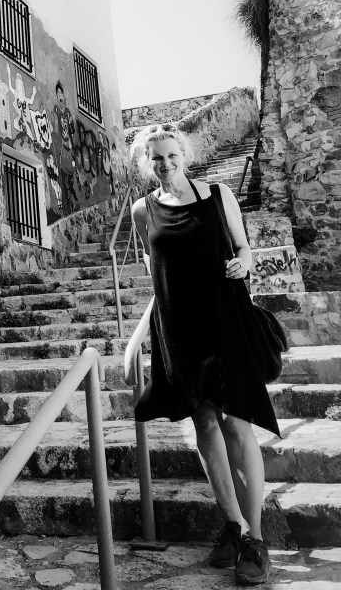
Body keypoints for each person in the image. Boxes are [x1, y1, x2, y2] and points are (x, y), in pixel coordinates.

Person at [129, 123, 278, 586]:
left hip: (225, 320)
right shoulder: (142, 210)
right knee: (205, 423)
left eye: (172, 155)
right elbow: (154, 267)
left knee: (236, 421)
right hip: (179, 329)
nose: (165, 163)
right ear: (146, 163)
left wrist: (243, 263)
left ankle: (256, 538)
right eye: (156, 157)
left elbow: (244, 247)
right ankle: (232, 526)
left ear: (185, 154)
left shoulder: (218, 195)